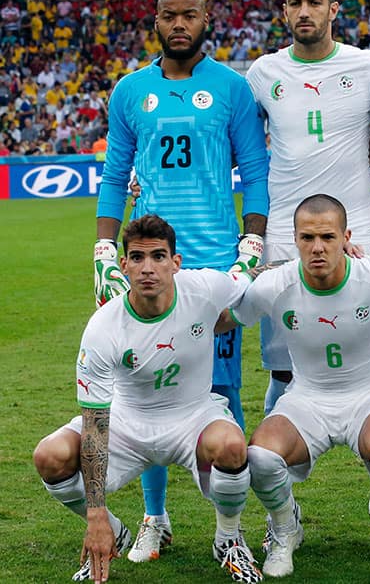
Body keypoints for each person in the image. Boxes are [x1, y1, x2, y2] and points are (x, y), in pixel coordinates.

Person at [93, 0, 269, 566]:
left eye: (188, 15)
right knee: (141, 393)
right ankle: (155, 519)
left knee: (219, 389)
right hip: (147, 259)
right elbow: (116, 174)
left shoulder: (231, 88)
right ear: (156, 21)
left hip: (215, 262)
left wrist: (255, 237)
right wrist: (103, 248)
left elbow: (256, 169)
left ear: (205, 18)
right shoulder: (130, 91)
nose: (178, 25)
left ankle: (231, 527)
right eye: (168, 16)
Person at [244, 0, 370, 552]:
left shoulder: (369, 68)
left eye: (314, 2)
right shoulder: (264, 73)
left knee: (365, 364)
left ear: (335, 8)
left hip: (354, 236)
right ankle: (283, 503)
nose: (303, 11)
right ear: (282, 12)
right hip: (285, 242)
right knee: (284, 369)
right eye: (293, 3)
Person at [33, 215, 262, 584]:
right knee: (50, 455)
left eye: (158, 257)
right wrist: (97, 517)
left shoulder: (204, 287)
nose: (148, 268)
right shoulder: (104, 326)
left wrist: (336, 260)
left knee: (233, 447)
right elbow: (95, 425)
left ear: (176, 262)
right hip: (127, 422)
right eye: (137, 258)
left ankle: (229, 539)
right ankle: (117, 533)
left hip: (193, 416)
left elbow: (252, 276)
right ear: (123, 266)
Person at [225, 194, 370, 576]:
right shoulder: (277, 284)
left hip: (368, 395)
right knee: (261, 457)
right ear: (294, 240)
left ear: (346, 237)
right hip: (306, 399)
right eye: (307, 238)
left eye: (327, 237)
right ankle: (286, 529)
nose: (317, 248)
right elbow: (230, 313)